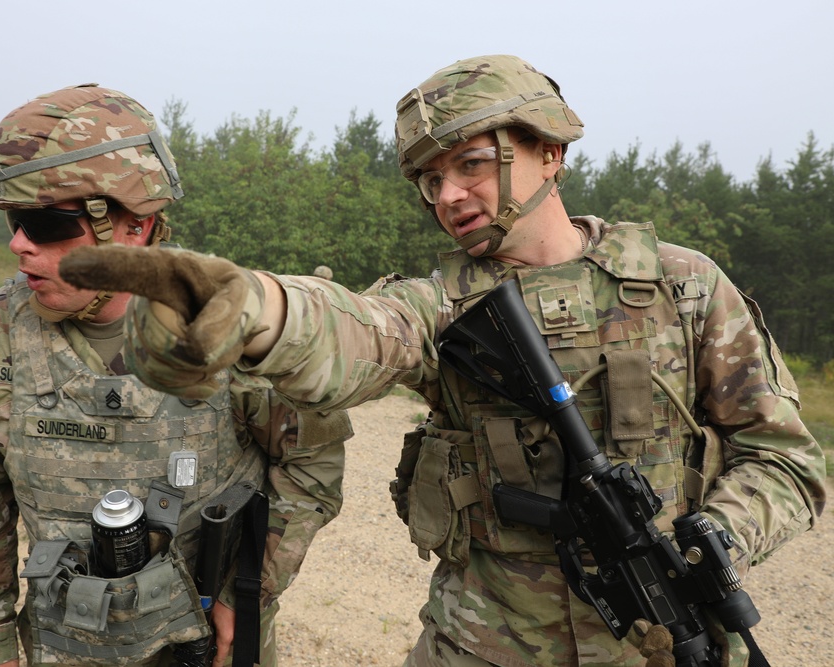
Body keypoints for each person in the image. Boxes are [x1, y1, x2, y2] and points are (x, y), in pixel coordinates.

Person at [57, 55, 826, 667]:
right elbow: (356, 333)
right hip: (478, 646)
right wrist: (256, 308)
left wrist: (719, 536)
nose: (448, 195)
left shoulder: (683, 285)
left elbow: (785, 459)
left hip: (667, 641)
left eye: (471, 165)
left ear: (549, 150)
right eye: (431, 180)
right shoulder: (442, 306)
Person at [0, 84, 350, 667]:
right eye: (12, 221)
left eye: (44, 222)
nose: (18, 244)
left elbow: (312, 465)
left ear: (134, 227)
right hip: (65, 642)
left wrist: (245, 593)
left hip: (208, 641)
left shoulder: (229, 322)